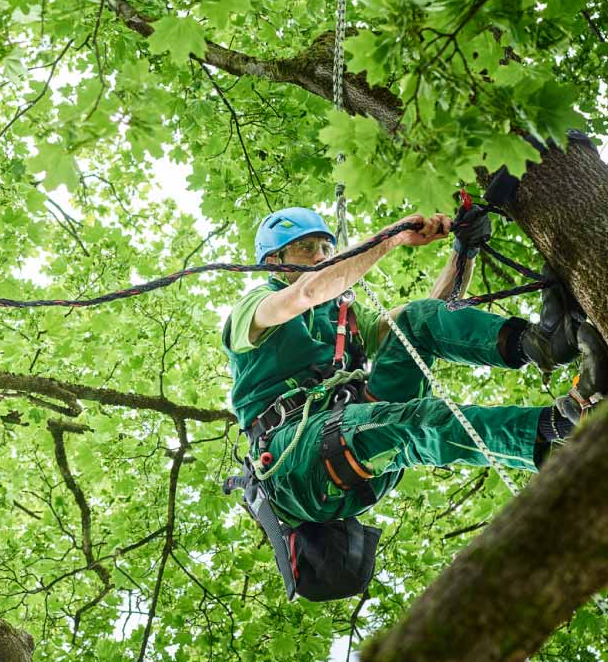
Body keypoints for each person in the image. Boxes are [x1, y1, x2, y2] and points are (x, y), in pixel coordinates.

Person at [222, 206, 606, 530]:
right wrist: (390, 238)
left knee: (416, 319)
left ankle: (540, 344)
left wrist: (463, 252)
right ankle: (558, 427)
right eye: (307, 249)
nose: (322, 255)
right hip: (298, 466)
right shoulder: (255, 308)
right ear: (273, 261)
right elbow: (305, 293)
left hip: (356, 425)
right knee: (415, 420)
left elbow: (423, 324)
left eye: (326, 246)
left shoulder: (344, 316)